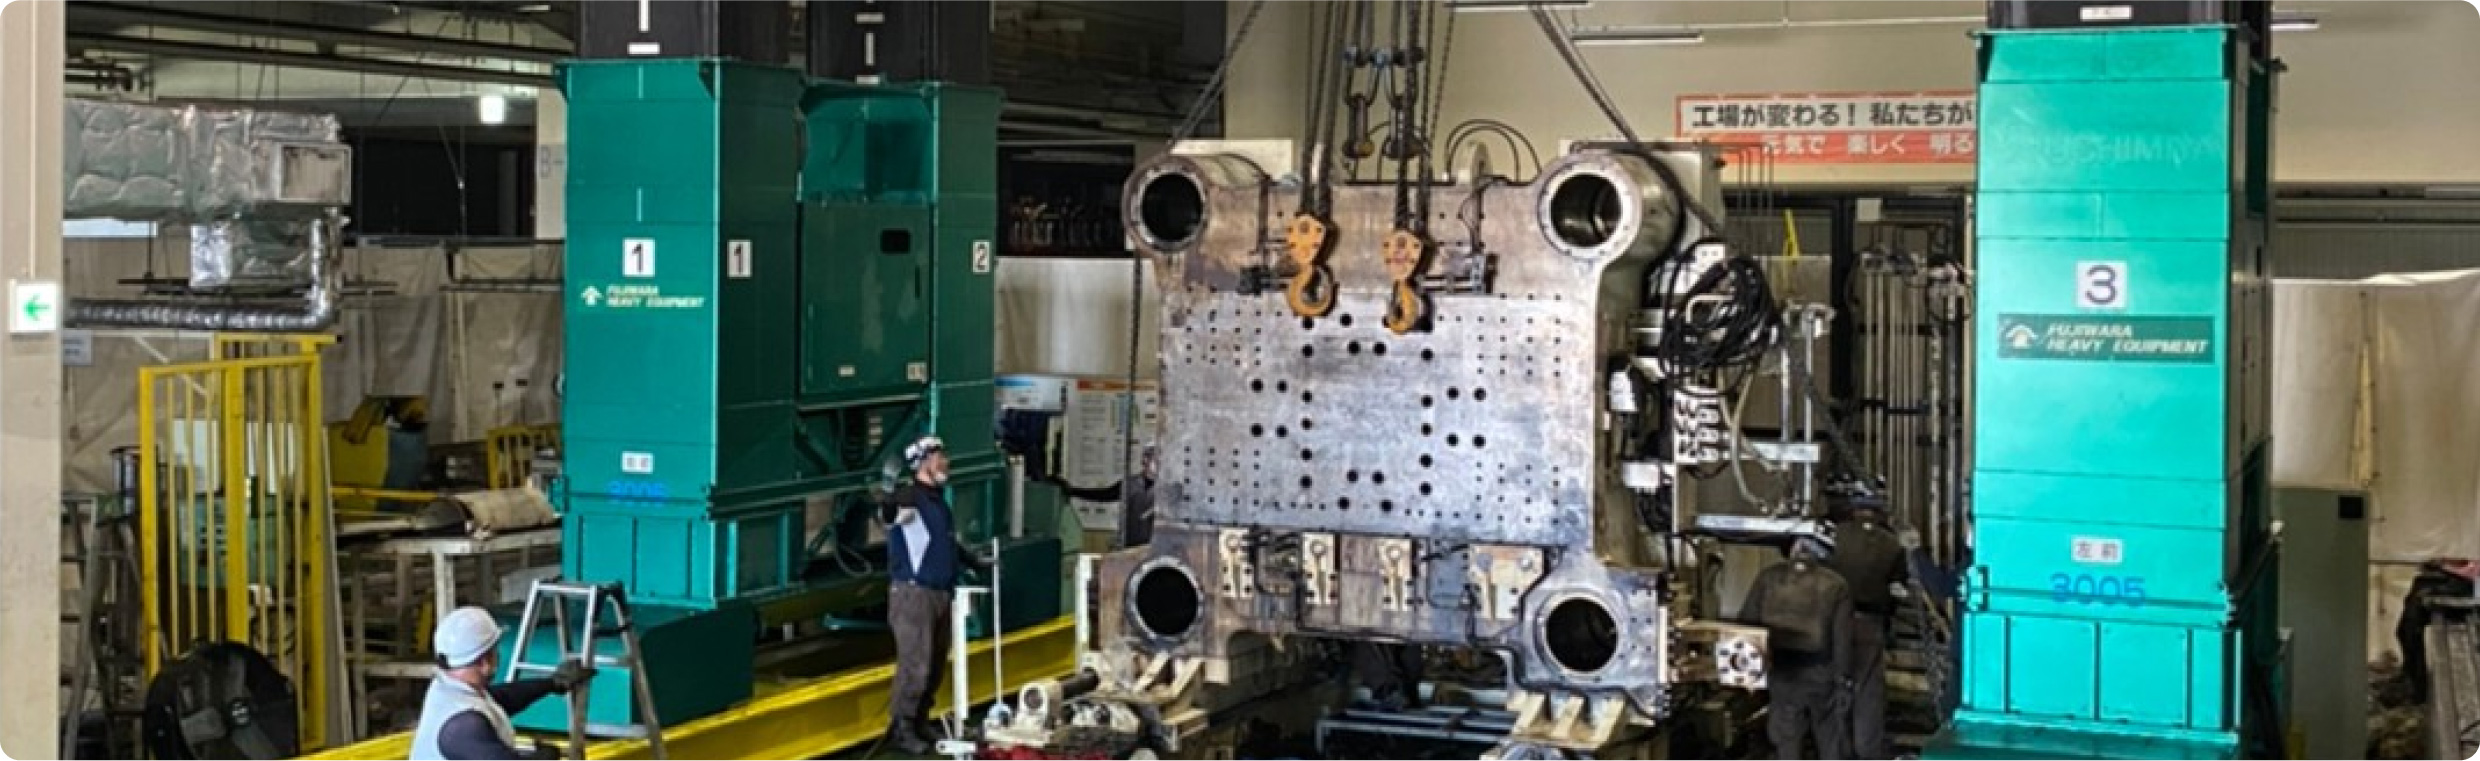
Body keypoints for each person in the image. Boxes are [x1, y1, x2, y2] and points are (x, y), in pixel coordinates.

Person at [410, 607, 592, 760]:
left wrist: (551, 683)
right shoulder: (463, 727)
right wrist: (542, 757)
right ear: (485, 662)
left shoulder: (450, 688)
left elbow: (501, 698)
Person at [881, 435, 966, 753]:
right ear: (923, 462)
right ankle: (901, 727)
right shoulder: (910, 498)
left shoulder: (937, 502)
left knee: (935, 662)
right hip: (914, 594)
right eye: (939, 457)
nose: (945, 462)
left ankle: (920, 720)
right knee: (916, 664)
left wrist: (974, 561)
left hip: (940, 593)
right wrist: (888, 492)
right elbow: (889, 517)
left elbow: (947, 542)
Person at [1741, 541, 1853, 761]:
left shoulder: (1768, 577)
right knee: (1829, 734)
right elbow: (1842, 639)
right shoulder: (1836, 584)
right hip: (1821, 670)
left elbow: (1747, 624)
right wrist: (1843, 679)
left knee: (1787, 738)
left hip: (1782, 671)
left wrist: (1751, 674)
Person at [1823, 504, 1909, 760]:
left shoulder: (1832, 536)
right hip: (1870, 622)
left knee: (1834, 685)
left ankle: (1836, 752)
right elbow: (1897, 587)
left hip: (1831, 623)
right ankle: (1868, 751)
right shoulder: (1892, 544)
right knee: (1868, 692)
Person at [2395, 557, 2480, 704]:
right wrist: (2446, 564)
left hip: (2471, 585)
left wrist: (2446, 567)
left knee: (2417, 605)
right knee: (2419, 587)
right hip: (2467, 580)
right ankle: (2411, 675)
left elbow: (2473, 572)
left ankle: (2416, 683)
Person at [1056, 445, 1158, 547]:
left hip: (1155, 545)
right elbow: (1104, 495)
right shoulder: (1129, 484)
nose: (1158, 464)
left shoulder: (1164, 489)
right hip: (1130, 545)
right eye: (1155, 459)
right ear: (1145, 460)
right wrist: (1073, 491)